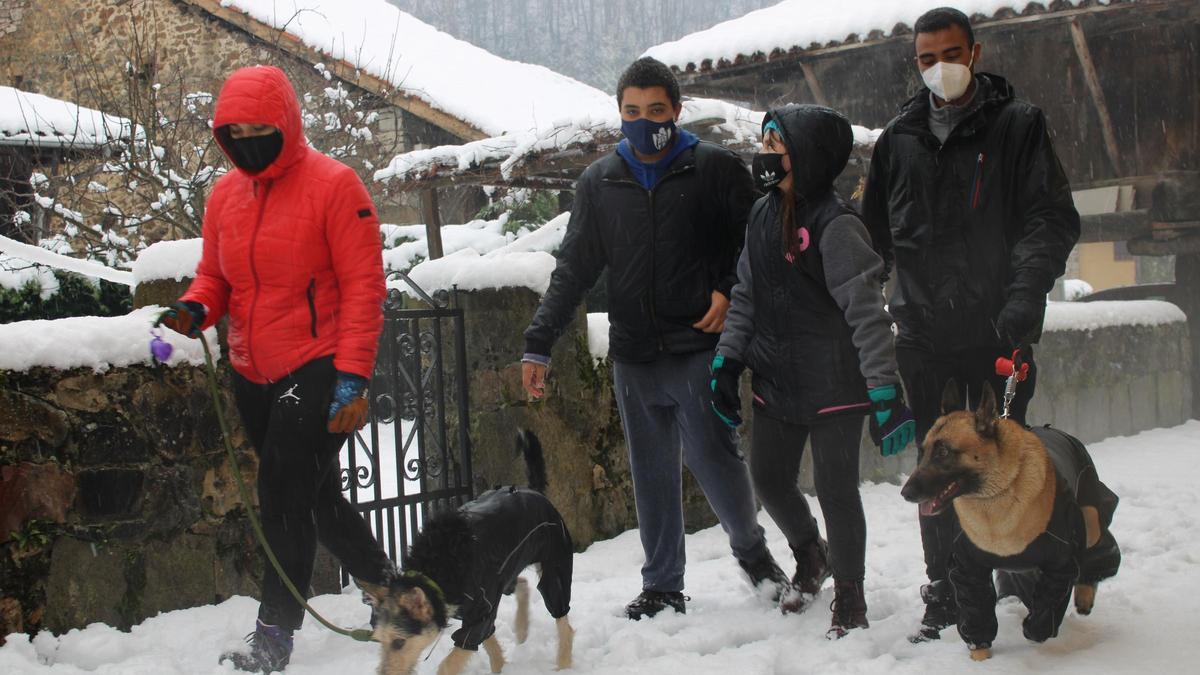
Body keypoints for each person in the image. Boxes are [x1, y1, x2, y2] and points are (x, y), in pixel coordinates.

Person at [521, 56, 788, 620]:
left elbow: (754, 242)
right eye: (632, 111)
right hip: (635, 355)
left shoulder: (713, 168)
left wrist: (726, 290)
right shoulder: (600, 181)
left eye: (656, 110)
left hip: (698, 347)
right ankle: (663, 584)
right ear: (619, 113)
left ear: (677, 110)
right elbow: (574, 269)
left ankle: (754, 555)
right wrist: (538, 342)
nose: (644, 121)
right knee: (651, 473)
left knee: (717, 461)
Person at [157, 65, 393, 672]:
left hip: (315, 364)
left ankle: (274, 634)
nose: (248, 140)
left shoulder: (336, 187)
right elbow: (217, 279)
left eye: (261, 128)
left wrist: (353, 378)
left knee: (282, 497)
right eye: (235, 131)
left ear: (287, 123)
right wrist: (194, 309)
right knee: (317, 500)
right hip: (250, 369)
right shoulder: (224, 197)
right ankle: (393, 593)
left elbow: (365, 288)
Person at [860, 6, 1081, 643]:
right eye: (927, 59)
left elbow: (1050, 221)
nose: (940, 69)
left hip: (996, 331)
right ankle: (949, 585)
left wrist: (1021, 299)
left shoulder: (1018, 127)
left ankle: (1016, 562)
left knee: (997, 462)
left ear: (975, 54)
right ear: (916, 64)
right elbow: (871, 239)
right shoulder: (897, 140)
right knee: (935, 469)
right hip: (923, 335)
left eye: (950, 54)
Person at [711, 104, 915, 638]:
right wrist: (727, 360)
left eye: (777, 148)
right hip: (777, 377)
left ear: (808, 156)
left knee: (836, 489)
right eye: (765, 145)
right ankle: (811, 553)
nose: (766, 157)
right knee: (771, 479)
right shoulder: (760, 216)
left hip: (835, 382)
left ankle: (850, 592)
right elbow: (746, 295)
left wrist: (884, 391)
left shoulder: (837, 225)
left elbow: (868, 315)